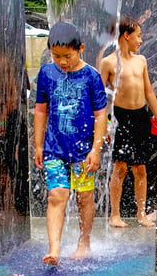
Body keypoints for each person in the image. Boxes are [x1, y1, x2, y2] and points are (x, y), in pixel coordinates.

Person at [34, 22, 107, 263]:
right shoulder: (46, 73)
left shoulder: (91, 76)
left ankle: (84, 241)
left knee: (84, 196)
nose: (62, 62)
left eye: (67, 56)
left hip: (83, 151)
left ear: (81, 49)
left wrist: (96, 150)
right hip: (54, 149)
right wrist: (38, 145)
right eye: (56, 56)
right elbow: (41, 111)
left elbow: (100, 115)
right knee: (57, 194)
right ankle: (54, 249)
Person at [100, 16, 157, 228]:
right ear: (126, 35)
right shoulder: (108, 63)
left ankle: (141, 213)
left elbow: (149, 91)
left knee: (141, 168)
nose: (141, 40)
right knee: (120, 168)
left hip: (141, 116)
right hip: (121, 117)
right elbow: (101, 96)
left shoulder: (141, 60)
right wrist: (105, 123)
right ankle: (114, 214)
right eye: (138, 36)